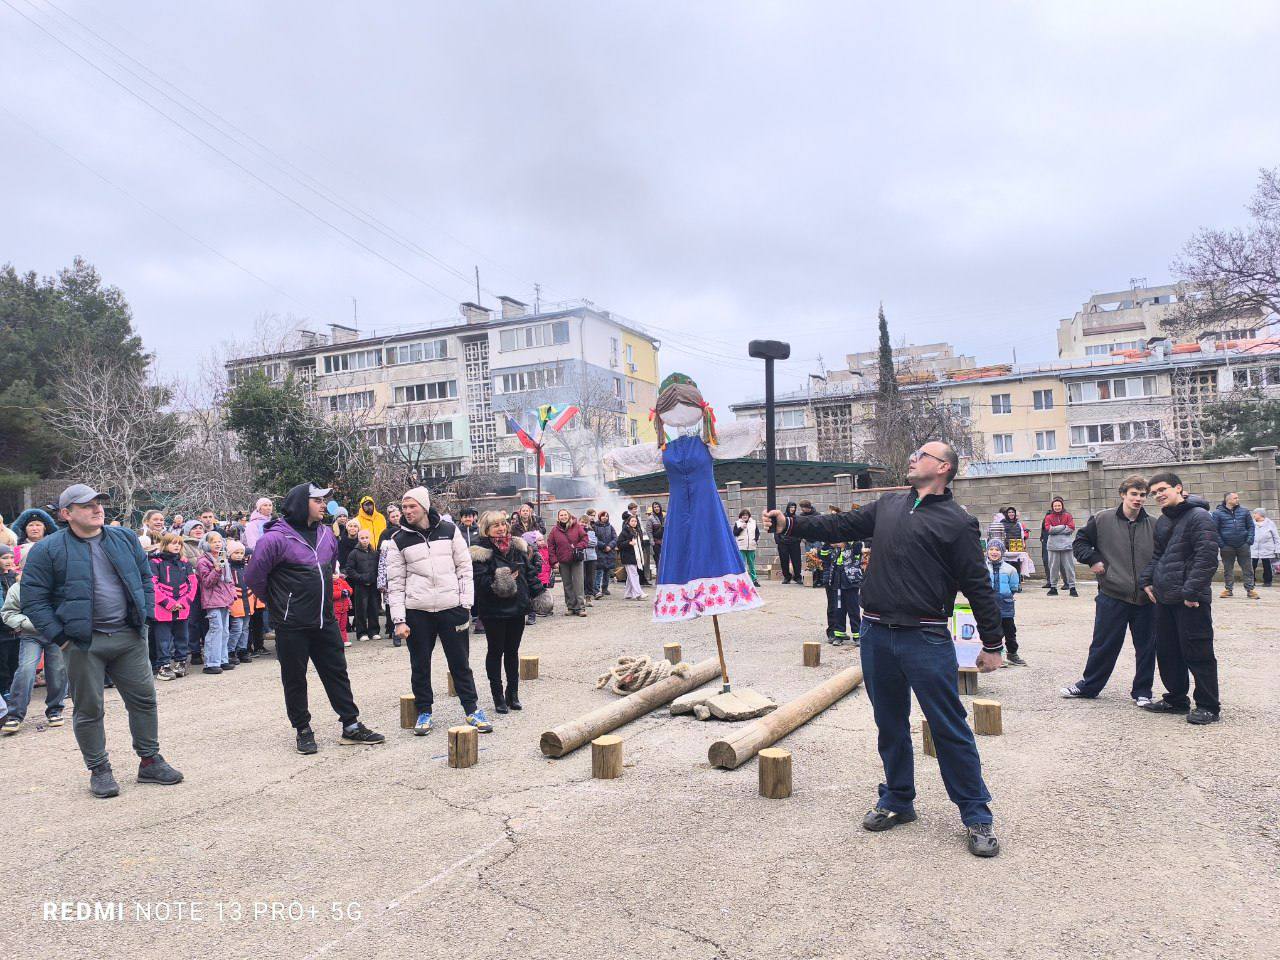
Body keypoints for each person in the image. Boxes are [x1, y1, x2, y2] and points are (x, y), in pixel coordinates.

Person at [764, 441, 1005, 858]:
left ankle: (975, 813)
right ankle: (897, 799)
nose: (913, 457)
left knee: (948, 726)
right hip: (876, 634)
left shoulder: (958, 521)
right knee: (889, 723)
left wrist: (993, 643)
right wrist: (790, 524)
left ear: (944, 467)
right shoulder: (888, 505)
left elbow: (977, 583)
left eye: (923, 454)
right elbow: (836, 528)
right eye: (912, 453)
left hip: (926, 637)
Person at [20, 484, 183, 797]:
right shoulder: (48, 549)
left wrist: (145, 616)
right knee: (89, 709)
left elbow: (144, 577)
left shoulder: (122, 538)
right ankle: (99, 769)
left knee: (144, 700)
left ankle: (149, 762)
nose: (97, 509)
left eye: (99, 503)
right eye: (87, 505)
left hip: (128, 636)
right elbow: (33, 599)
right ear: (66, 514)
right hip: (82, 644)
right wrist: (61, 637)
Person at [244, 482, 384, 754]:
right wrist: (279, 605)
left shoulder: (326, 535)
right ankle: (303, 729)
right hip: (292, 624)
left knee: (337, 673)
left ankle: (351, 725)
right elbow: (253, 578)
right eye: (317, 501)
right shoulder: (274, 538)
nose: (324, 505)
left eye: (325, 501)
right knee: (295, 678)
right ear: (300, 503)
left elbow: (329, 568)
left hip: (325, 620)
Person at [385, 487, 489, 735]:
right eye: (404, 507)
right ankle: (424, 711)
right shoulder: (397, 540)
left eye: (412, 507)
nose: (407, 511)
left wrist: (465, 604)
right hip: (417, 611)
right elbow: (395, 583)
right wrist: (399, 620)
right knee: (420, 663)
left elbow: (464, 568)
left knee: (460, 662)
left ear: (424, 506)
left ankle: (472, 709)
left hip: (451, 607)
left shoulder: (449, 531)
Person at [1061, 476, 1157, 705]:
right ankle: (1089, 686)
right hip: (1112, 594)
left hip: (1145, 598)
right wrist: (1093, 559)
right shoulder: (1102, 519)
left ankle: (1143, 692)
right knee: (1103, 644)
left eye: (1143, 495)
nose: (1139, 499)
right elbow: (1080, 543)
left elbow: (1162, 556)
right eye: (1134, 494)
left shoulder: (1155, 524)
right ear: (1123, 494)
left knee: (1146, 647)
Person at [1138, 474, 1221, 725]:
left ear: (1179, 489)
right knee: (1168, 651)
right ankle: (1176, 699)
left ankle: (1208, 706)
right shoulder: (1163, 521)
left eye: (1162, 489)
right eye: (1154, 493)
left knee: (1198, 651)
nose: (1158, 495)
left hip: (1190, 599)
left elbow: (1207, 557)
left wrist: (1192, 591)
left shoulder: (1199, 517)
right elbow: (1158, 556)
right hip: (1165, 598)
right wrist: (1146, 581)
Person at [470, 510, 549, 713]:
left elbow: (529, 573)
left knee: (512, 652)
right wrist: (501, 578)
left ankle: (512, 693)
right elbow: (480, 582)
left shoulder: (517, 546)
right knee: (495, 652)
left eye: (503, 524)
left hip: (517, 607)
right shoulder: (480, 551)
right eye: (496, 525)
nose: (501, 528)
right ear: (486, 529)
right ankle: (497, 696)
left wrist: (540, 593)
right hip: (493, 609)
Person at [1, 559, 68, 734]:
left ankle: (55, 709)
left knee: (58, 670)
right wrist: (27, 624)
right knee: (25, 670)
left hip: (56, 634)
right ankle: (15, 714)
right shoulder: (18, 589)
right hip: (31, 635)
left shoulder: (57, 586)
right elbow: (8, 613)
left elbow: (67, 607)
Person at [150, 532, 197, 680]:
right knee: (163, 640)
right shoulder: (155, 562)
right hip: (162, 609)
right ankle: (163, 666)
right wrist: (168, 603)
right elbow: (152, 585)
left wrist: (184, 602)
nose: (177, 545)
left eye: (179, 543)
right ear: (165, 544)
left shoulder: (185, 562)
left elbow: (193, 584)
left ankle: (181, 662)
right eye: (173, 543)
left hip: (182, 608)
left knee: (182, 637)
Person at [196, 531, 236, 675]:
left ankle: (222, 659)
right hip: (212, 600)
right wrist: (217, 569)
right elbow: (207, 582)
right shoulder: (203, 561)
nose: (218, 544)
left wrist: (232, 595)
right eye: (214, 542)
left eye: (219, 541)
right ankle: (211, 662)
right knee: (215, 629)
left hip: (225, 599)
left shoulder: (223, 558)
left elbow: (229, 580)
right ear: (207, 544)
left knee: (225, 630)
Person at [983, 539, 1023, 666]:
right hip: (988, 606)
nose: (994, 552)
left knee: (1010, 631)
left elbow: (1014, 587)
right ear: (987, 551)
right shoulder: (982, 568)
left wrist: (1006, 595)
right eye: (991, 549)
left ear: (1002, 552)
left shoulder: (1010, 569)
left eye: (997, 550)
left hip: (1006, 605)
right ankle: (996, 657)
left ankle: (1012, 654)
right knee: (994, 632)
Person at [1212, 491, 1257, 598]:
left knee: (1247, 568)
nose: (1238, 499)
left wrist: (1249, 541)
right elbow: (1214, 530)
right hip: (1227, 546)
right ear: (1228, 500)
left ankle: (1250, 590)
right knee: (1228, 568)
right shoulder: (1217, 513)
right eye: (1235, 498)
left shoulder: (1244, 511)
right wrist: (1221, 544)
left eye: (1237, 498)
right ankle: (1228, 590)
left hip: (1243, 545)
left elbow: (1251, 527)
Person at [820, 537, 863, 646]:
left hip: (851, 583)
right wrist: (829, 542)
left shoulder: (854, 547)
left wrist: (846, 542)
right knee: (838, 610)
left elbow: (858, 545)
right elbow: (823, 555)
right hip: (837, 582)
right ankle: (839, 635)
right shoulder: (834, 549)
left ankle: (857, 635)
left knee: (853, 610)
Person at [548, 509, 589, 617]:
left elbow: (585, 538)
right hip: (563, 561)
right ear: (558, 517)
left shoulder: (577, 527)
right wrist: (554, 561)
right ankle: (570, 607)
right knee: (567, 584)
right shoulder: (554, 530)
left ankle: (580, 607)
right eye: (561, 515)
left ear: (569, 515)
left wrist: (578, 547)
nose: (563, 517)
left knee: (578, 584)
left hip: (576, 560)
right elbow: (551, 546)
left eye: (565, 515)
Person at [343, 528, 381, 641]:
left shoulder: (375, 553)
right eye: (362, 538)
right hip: (360, 585)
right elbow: (349, 569)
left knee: (374, 608)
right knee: (361, 610)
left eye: (366, 538)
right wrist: (360, 578)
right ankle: (361, 633)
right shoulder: (354, 553)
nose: (364, 540)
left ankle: (374, 631)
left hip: (373, 585)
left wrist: (375, 578)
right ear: (359, 539)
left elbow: (379, 568)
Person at [225, 540, 254, 663]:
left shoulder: (247, 567)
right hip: (235, 601)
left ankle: (242, 649)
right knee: (237, 627)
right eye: (236, 552)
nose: (239, 555)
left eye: (241, 553)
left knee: (245, 627)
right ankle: (231, 651)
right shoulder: (228, 567)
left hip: (247, 600)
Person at [1043, 497, 1078, 596]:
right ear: (1052, 507)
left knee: (1069, 567)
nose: (1057, 507)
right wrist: (1063, 526)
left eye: (1059, 505)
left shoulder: (1068, 515)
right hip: (1053, 546)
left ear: (1062, 506)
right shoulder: (1048, 517)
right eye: (1055, 506)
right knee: (1053, 567)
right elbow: (1048, 529)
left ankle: (1072, 587)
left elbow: (1071, 528)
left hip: (1066, 546)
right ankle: (1053, 587)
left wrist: (1056, 529)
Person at [618, 514, 647, 600]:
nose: (634, 523)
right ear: (628, 522)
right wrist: (628, 543)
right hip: (627, 556)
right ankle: (638, 593)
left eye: (635, 521)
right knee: (634, 574)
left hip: (635, 556)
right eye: (632, 521)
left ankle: (628, 594)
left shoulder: (637, 531)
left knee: (631, 576)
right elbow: (619, 544)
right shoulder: (624, 531)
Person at [775, 501, 803, 584]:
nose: (793, 509)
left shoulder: (797, 518)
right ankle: (787, 577)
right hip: (783, 542)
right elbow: (776, 529)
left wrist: (798, 539)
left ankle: (797, 577)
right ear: (788, 508)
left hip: (794, 543)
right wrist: (778, 541)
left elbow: (801, 530)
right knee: (784, 560)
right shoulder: (782, 517)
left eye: (794, 507)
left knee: (796, 560)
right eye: (791, 507)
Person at [592, 511, 617, 598]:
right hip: (599, 551)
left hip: (609, 552)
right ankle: (596, 590)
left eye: (606, 516)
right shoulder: (595, 527)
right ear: (600, 517)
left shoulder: (610, 527)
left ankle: (605, 588)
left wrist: (610, 546)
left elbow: (615, 538)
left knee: (607, 571)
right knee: (599, 572)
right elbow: (594, 539)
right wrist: (604, 546)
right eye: (603, 516)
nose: (605, 517)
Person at [734, 509, 760, 587]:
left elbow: (757, 533)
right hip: (741, 546)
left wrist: (755, 540)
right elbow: (735, 533)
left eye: (746, 515)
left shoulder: (753, 523)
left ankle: (754, 580)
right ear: (741, 516)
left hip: (751, 546)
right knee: (742, 564)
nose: (745, 516)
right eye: (743, 515)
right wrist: (741, 528)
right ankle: (742, 580)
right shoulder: (737, 523)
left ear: (749, 516)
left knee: (751, 564)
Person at [1252, 508, 1277, 587]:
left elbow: (1276, 536)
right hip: (1254, 548)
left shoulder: (1270, 523)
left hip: (1267, 548)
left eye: (1255, 513)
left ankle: (1267, 581)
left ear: (1259, 514)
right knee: (1252, 565)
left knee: (1267, 566)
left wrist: (1277, 549)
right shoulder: (1251, 523)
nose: (1253, 515)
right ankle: (1251, 581)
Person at [582, 509, 598, 610]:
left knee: (590, 579)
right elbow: (579, 543)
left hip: (592, 557)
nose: (584, 524)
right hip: (581, 557)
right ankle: (582, 597)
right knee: (582, 578)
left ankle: (588, 597)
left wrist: (584, 542)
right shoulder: (576, 531)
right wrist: (586, 542)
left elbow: (594, 543)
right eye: (582, 522)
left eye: (585, 523)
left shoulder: (591, 531)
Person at [332, 572, 354, 647]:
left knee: (343, 626)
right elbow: (329, 594)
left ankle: (344, 640)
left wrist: (348, 592)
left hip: (344, 608)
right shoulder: (327, 583)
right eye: (332, 574)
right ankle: (335, 641)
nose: (334, 576)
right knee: (335, 626)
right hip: (335, 610)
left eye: (335, 573)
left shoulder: (342, 582)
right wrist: (340, 593)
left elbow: (350, 589)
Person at [649, 502, 665, 572]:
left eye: (657, 506)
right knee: (658, 561)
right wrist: (652, 542)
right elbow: (649, 531)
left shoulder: (665, 516)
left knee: (666, 559)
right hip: (656, 542)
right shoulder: (651, 518)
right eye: (655, 507)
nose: (656, 508)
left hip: (665, 542)